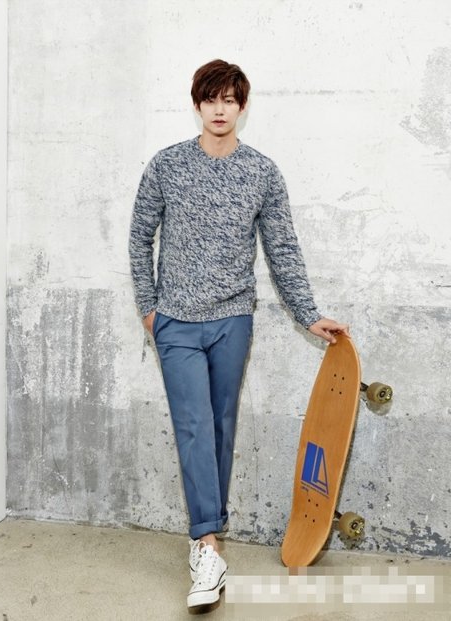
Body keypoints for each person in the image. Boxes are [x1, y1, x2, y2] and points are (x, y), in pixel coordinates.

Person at [128, 59, 349, 609]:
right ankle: (206, 547)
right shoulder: (166, 165)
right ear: (197, 104)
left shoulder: (262, 172)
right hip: (176, 322)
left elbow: (282, 249)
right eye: (211, 99)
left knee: (221, 427)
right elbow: (139, 236)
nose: (220, 109)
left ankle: (210, 534)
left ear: (242, 106)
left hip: (233, 321)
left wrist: (308, 314)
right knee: (194, 427)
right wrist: (149, 308)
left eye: (230, 99)